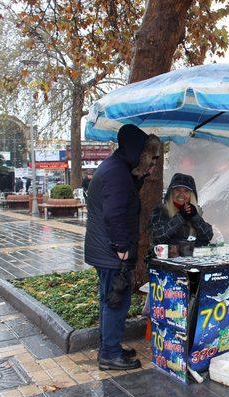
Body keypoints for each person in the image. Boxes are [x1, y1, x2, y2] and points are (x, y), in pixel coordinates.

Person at [85, 124, 160, 371]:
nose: (151, 165)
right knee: (116, 301)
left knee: (110, 300)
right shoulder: (116, 173)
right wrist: (121, 248)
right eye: (149, 158)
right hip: (111, 251)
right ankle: (109, 354)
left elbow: (124, 200)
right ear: (138, 153)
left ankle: (111, 346)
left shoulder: (117, 168)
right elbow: (115, 213)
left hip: (104, 249)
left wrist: (139, 177)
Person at [149, 173, 213, 256]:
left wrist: (195, 217)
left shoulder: (194, 211)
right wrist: (181, 216)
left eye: (186, 191)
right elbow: (157, 237)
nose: (181, 194)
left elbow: (208, 236)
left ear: (191, 195)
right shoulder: (160, 211)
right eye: (177, 190)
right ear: (171, 192)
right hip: (165, 264)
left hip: (191, 264)